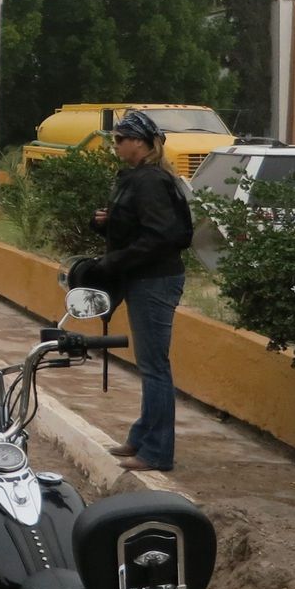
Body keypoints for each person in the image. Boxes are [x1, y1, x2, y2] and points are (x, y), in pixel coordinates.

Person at [79, 109, 192, 473]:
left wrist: (112, 262)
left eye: (120, 139)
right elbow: (140, 227)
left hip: (154, 280)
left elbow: (161, 237)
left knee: (155, 367)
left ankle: (157, 452)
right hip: (142, 277)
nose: (115, 145)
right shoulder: (138, 178)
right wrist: (107, 223)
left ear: (140, 143)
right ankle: (142, 437)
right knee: (149, 364)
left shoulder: (150, 181)